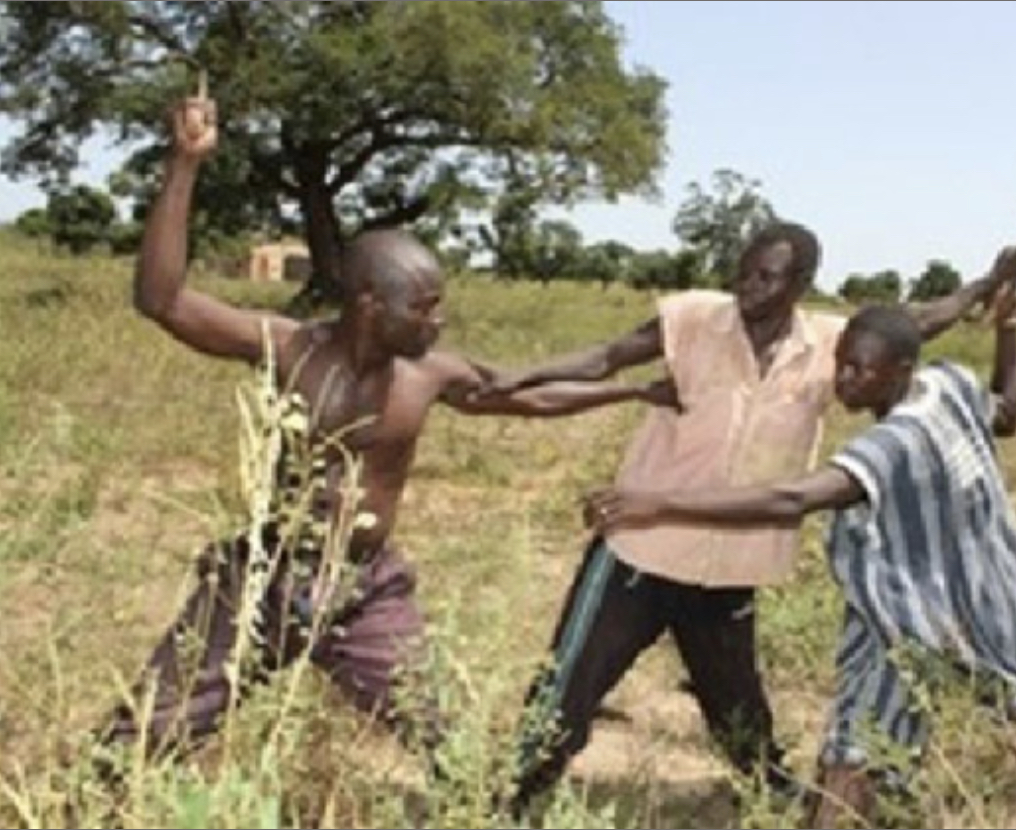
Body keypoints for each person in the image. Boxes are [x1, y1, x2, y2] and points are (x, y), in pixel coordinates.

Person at [92, 91, 675, 774]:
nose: (439, 322)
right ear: (370, 304)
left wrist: (633, 389)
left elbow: (530, 396)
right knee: (147, 735)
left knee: (447, 744)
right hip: (262, 577)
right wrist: (186, 164)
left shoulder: (428, 374)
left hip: (365, 591)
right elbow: (161, 300)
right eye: (425, 308)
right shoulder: (287, 348)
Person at [490, 220, 1016, 813]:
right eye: (744, 271)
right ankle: (511, 801)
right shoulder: (694, 318)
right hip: (640, 551)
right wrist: (517, 376)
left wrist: (989, 283)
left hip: (731, 566)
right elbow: (606, 358)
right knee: (568, 690)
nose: (749, 286)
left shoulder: (830, 345)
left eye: (767, 276)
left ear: (800, 283)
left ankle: (769, 796)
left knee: (738, 710)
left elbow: (919, 320)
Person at [584, 270, 1016, 828]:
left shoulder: (894, 442)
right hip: (947, 593)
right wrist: (1010, 329)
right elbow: (1007, 410)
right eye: (842, 363)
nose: (845, 380)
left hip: (938, 600)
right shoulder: (948, 384)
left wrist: (661, 504)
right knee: (923, 708)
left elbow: (791, 500)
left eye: (860, 370)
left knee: (954, 702)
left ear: (901, 370)